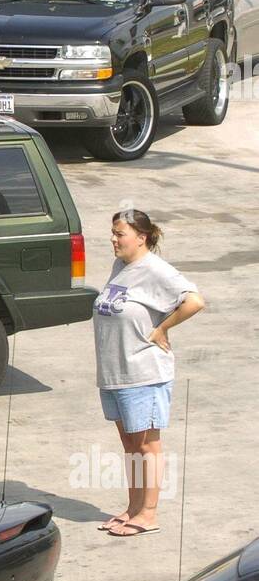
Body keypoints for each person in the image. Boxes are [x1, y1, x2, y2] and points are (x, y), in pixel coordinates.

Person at [93, 209, 205, 538]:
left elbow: (194, 301)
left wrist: (162, 328)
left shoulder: (156, 270)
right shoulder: (121, 266)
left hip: (143, 372)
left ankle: (149, 514)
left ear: (141, 238)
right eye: (112, 233)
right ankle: (132, 509)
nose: (113, 240)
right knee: (130, 446)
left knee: (147, 446)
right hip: (115, 373)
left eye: (119, 234)